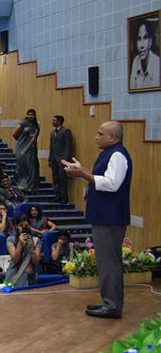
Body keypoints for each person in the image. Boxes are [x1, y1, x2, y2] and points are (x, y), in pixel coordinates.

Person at [63, 121, 132, 319]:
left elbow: (112, 184)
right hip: (104, 216)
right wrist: (81, 173)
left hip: (110, 217)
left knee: (109, 261)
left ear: (112, 137)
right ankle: (108, 301)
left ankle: (112, 306)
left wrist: (83, 173)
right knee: (105, 261)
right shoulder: (110, 153)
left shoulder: (118, 155)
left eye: (100, 133)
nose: (96, 137)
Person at [12, 108, 40, 192]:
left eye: (32, 115)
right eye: (29, 114)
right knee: (22, 166)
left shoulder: (36, 125)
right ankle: (22, 184)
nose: (30, 116)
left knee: (32, 168)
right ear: (26, 115)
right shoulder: (23, 123)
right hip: (22, 148)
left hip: (31, 149)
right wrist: (22, 142)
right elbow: (14, 134)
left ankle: (31, 186)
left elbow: (35, 137)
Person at [6, 222, 41, 287]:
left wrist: (31, 248)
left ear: (30, 226)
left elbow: (36, 262)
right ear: (16, 226)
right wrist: (19, 244)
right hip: (15, 275)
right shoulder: (10, 239)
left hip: (31, 276)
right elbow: (15, 260)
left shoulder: (36, 240)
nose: (23, 227)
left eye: (26, 225)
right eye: (21, 225)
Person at [129, 18, 160, 89]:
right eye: (139, 39)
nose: (142, 46)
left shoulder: (157, 63)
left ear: (150, 42)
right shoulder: (135, 61)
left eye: (145, 38)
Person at [48, 115, 74, 203]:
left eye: (54, 120)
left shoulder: (66, 131)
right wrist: (50, 159)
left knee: (62, 179)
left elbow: (68, 146)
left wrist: (66, 160)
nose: (52, 121)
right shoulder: (52, 132)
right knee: (55, 178)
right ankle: (57, 196)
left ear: (59, 122)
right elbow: (51, 147)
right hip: (54, 159)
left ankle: (64, 197)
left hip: (62, 159)